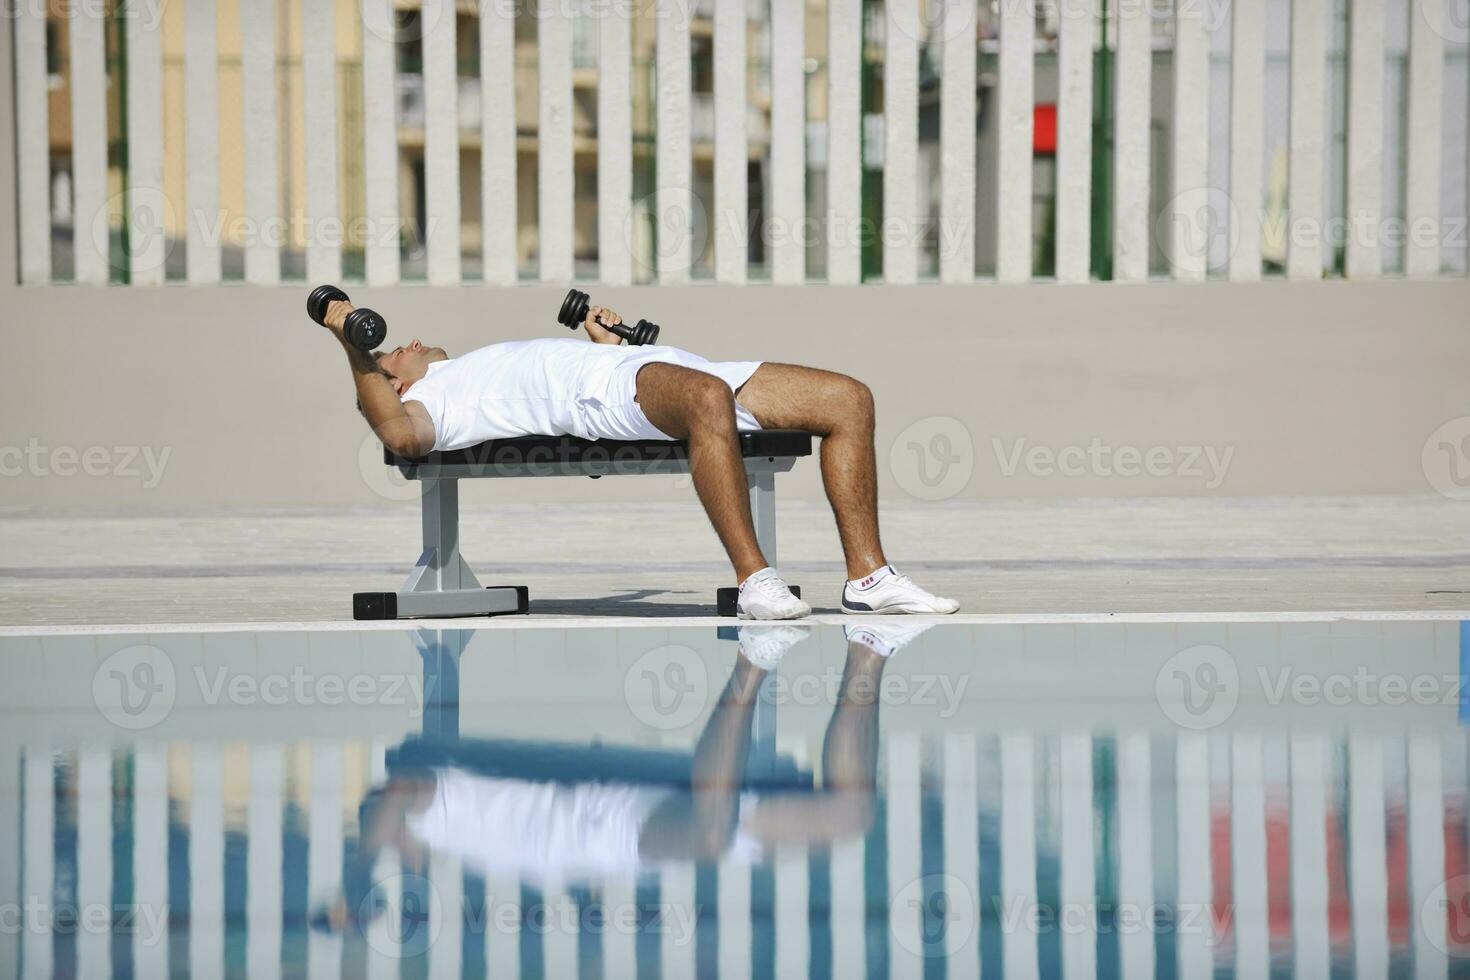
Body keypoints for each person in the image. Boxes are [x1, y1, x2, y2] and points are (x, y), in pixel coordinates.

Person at [317, 297, 959, 619]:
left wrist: (603, 337)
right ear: (390, 380)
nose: (416, 343)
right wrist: (348, 338)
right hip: (605, 398)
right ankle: (754, 581)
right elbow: (400, 439)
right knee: (705, 399)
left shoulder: (466, 363)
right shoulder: (435, 400)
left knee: (849, 399)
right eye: (397, 349)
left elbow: (614, 363)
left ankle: (869, 578)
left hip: (655, 369)